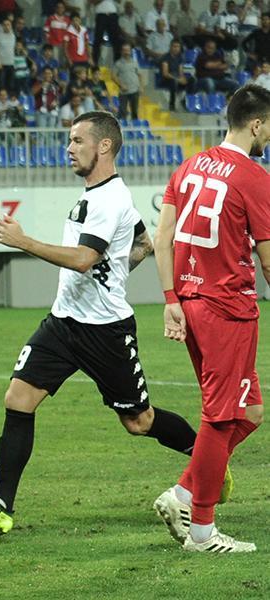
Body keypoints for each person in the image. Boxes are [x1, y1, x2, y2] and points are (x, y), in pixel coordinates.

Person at [0, 111, 215, 534]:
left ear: (103, 145)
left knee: (139, 422)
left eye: (77, 140)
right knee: (18, 399)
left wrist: (24, 241)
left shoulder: (109, 199)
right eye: (69, 140)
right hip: (63, 322)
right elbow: (143, 241)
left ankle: (208, 463)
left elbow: (83, 259)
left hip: (104, 331)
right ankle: (0, 507)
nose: (68, 148)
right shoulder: (96, 195)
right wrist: (118, 270)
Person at [152, 84, 270, 553]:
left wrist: (170, 298)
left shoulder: (188, 167)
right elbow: (268, 260)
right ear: (256, 124)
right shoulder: (255, 177)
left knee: (251, 412)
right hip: (228, 309)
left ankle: (183, 493)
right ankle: (202, 531)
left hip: (192, 304)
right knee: (221, 417)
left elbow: (163, 238)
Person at [158, 39, 195, 110]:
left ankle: (185, 100)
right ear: (170, 47)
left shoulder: (180, 57)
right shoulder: (165, 57)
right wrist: (178, 79)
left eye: (178, 47)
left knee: (192, 80)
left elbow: (180, 71)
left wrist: (182, 78)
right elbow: (165, 73)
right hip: (166, 79)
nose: (176, 48)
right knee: (173, 82)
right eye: (174, 46)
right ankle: (172, 105)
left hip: (176, 78)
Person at [112, 42, 141, 120]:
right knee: (123, 112)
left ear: (130, 51)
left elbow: (139, 75)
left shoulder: (135, 62)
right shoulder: (118, 64)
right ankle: (122, 126)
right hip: (123, 92)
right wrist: (121, 85)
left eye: (128, 50)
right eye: (124, 50)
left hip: (135, 91)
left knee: (135, 112)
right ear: (121, 52)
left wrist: (141, 87)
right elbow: (113, 76)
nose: (126, 52)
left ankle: (135, 126)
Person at [0, 17, 17, 93]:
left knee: (11, 86)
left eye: (8, 24)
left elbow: (13, 50)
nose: (6, 26)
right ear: (2, 26)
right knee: (1, 86)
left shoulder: (13, 36)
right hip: (1, 65)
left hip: (11, 64)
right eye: (5, 25)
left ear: (11, 26)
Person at [92, 0, 121, 65]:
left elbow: (119, 1)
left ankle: (117, 63)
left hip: (113, 15)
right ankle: (94, 62)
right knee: (98, 39)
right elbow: (93, 2)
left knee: (116, 40)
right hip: (101, 15)